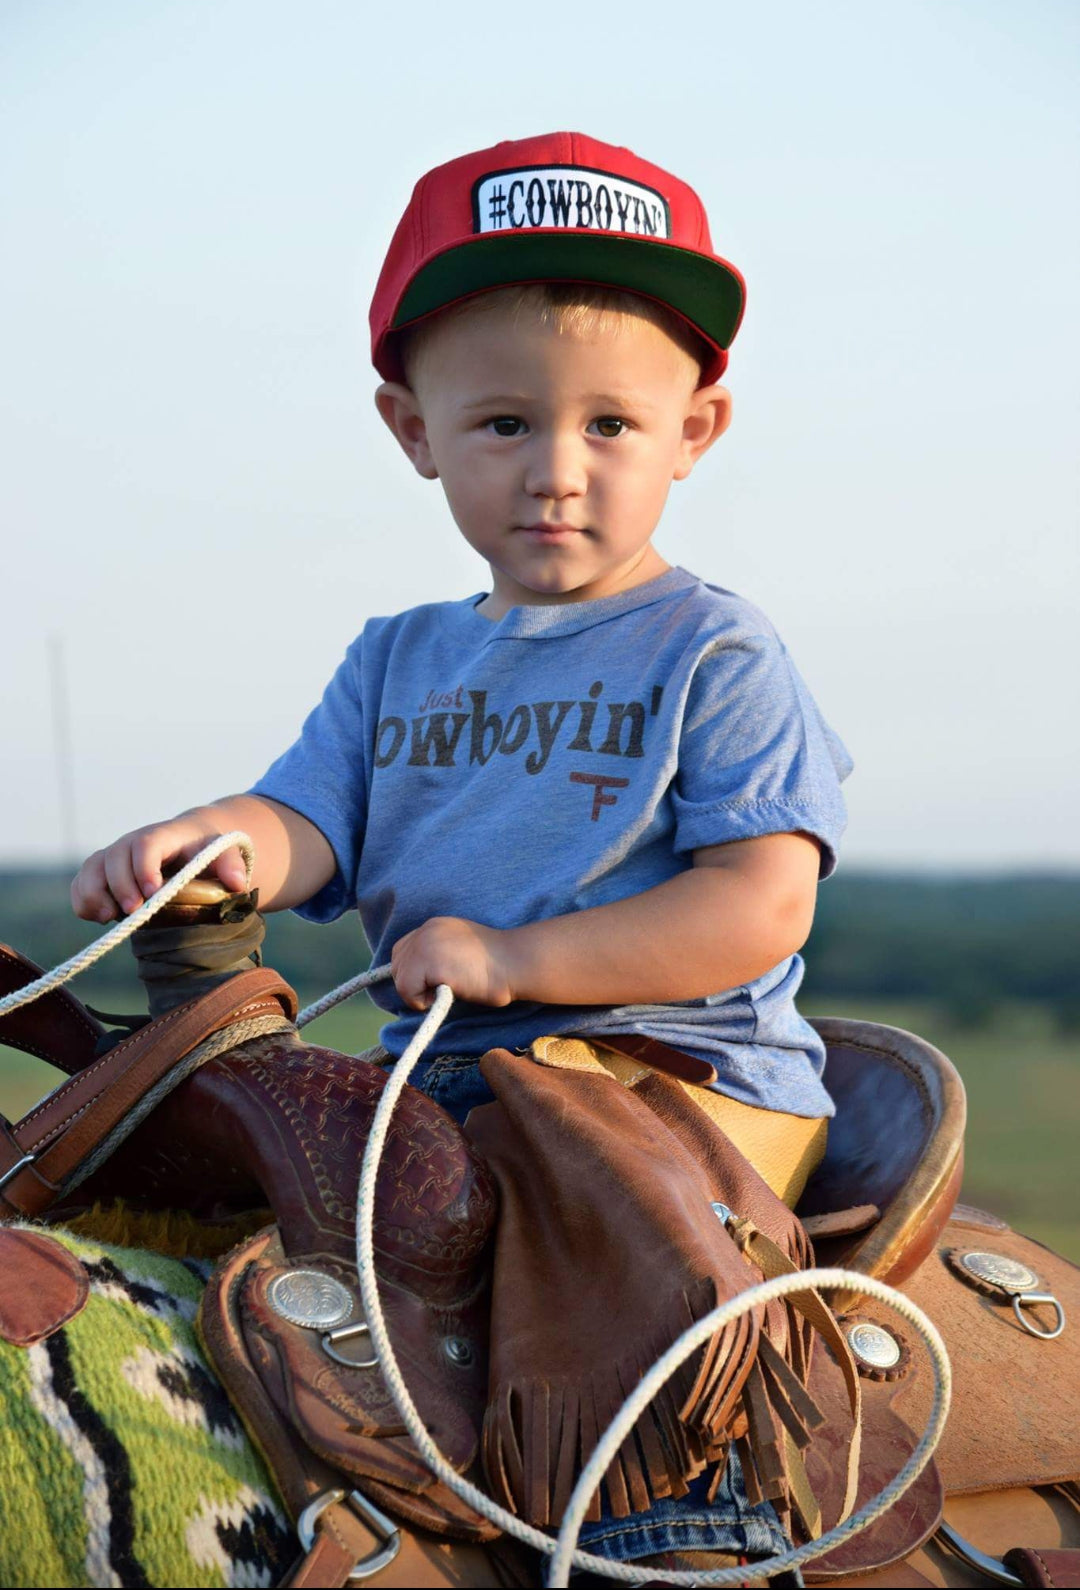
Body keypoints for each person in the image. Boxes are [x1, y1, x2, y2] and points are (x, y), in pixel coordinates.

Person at [71, 130, 852, 1569]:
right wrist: (217, 842)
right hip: (439, 1075)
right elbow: (307, 826)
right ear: (413, 429)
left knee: (603, 1241)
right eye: (504, 425)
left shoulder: (715, 649)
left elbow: (759, 898)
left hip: (667, 1080)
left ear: (697, 430)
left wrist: (517, 956)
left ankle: (682, 1526)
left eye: (610, 425)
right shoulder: (398, 659)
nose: (557, 471)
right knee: (187, 1177)